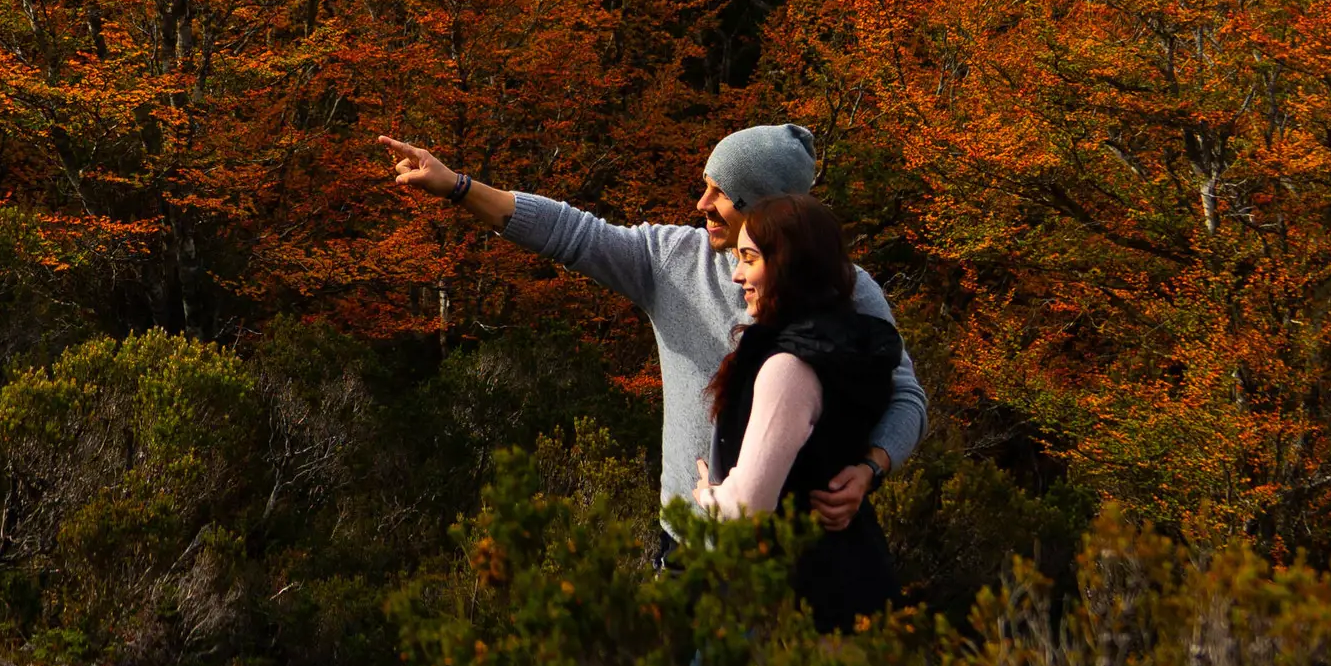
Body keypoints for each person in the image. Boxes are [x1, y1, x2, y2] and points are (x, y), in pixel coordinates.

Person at [375, 121, 925, 534]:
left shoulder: (850, 291)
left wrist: (871, 468)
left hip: (804, 554)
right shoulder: (673, 259)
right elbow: (574, 233)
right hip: (685, 543)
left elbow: (905, 395)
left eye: (719, 194)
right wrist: (457, 186)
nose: (700, 203)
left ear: (766, 209)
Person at [693, 192, 901, 628]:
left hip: (790, 599)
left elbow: (748, 508)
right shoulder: (850, 341)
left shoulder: (789, 367)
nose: (736, 276)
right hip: (855, 582)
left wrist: (707, 496)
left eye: (749, 259)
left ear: (787, 265)